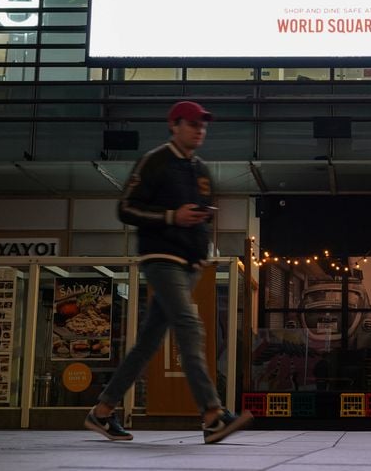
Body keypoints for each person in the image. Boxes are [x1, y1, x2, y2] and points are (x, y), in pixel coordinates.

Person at [84, 101, 252, 444]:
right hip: (161, 259)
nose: (199, 129)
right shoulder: (155, 161)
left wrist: (200, 245)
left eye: (203, 124)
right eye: (192, 124)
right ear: (174, 126)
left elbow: (198, 215)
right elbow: (126, 208)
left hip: (188, 266)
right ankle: (212, 413)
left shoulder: (201, 169)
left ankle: (101, 412)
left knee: (147, 343)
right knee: (190, 326)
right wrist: (173, 217)